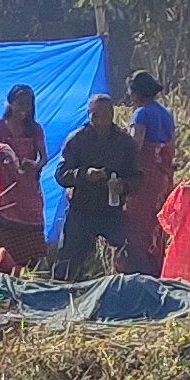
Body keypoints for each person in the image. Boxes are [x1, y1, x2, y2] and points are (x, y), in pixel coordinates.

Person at [53, 93, 143, 280]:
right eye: (96, 116)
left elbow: (137, 177)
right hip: (82, 208)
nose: (101, 122)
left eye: (105, 116)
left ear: (112, 114)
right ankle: (62, 294)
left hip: (112, 210)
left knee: (127, 256)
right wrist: (84, 174)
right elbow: (61, 175)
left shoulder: (125, 142)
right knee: (67, 262)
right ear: (88, 115)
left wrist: (124, 185)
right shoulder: (76, 140)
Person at [0, 85, 51, 264]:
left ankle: (29, 269)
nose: (24, 109)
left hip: (27, 189)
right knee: (2, 230)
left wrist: (35, 165)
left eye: (28, 104)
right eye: (20, 103)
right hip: (5, 188)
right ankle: (1, 267)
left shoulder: (35, 129)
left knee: (31, 229)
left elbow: (44, 157)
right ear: (10, 103)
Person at [122, 73, 180, 276]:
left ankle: (138, 270)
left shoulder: (141, 114)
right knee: (157, 223)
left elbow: (135, 146)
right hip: (163, 176)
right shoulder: (166, 114)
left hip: (144, 176)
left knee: (137, 223)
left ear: (136, 93)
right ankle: (157, 268)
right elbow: (171, 147)